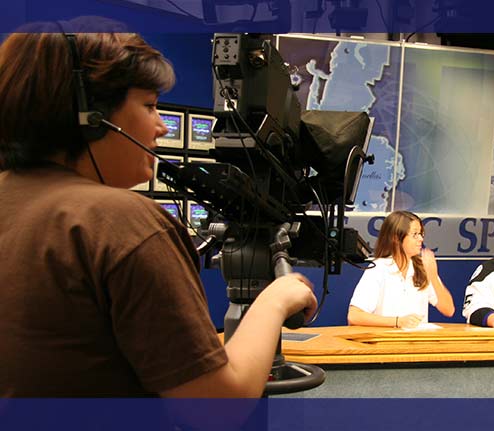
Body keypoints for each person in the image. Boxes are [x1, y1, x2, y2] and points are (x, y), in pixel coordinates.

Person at [0, 32, 317, 398]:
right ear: (92, 116)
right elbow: (216, 405)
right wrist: (276, 300)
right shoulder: (122, 222)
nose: (162, 127)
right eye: (149, 106)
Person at [348, 211, 455, 328]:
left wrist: (433, 276)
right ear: (396, 238)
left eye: (421, 234)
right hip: (386, 342)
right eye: (415, 234)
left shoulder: (423, 268)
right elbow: (354, 316)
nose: (420, 239)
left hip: (417, 343)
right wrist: (397, 321)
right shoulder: (379, 268)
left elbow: (448, 310)